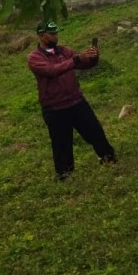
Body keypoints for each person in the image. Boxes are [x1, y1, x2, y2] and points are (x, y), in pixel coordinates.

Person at [27, 21, 116, 181]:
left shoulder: (64, 51)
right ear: (41, 36)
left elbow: (83, 64)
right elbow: (51, 71)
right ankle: (65, 175)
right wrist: (76, 59)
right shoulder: (35, 57)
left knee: (95, 132)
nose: (56, 36)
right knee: (62, 143)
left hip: (76, 102)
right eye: (52, 34)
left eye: (56, 33)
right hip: (55, 108)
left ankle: (109, 158)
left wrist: (93, 58)